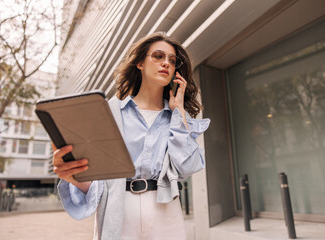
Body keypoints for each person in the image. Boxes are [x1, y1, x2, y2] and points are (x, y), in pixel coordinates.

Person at [52, 32, 210, 240]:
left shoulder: (177, 117)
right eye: (158, 56)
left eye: (172, 60)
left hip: (165, 211)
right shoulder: (110, 112)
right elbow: (100, 180)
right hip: (119, 209)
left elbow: (187, 168)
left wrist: (179, 111)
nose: (166, 64)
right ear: (140, 63)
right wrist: (74, 177)